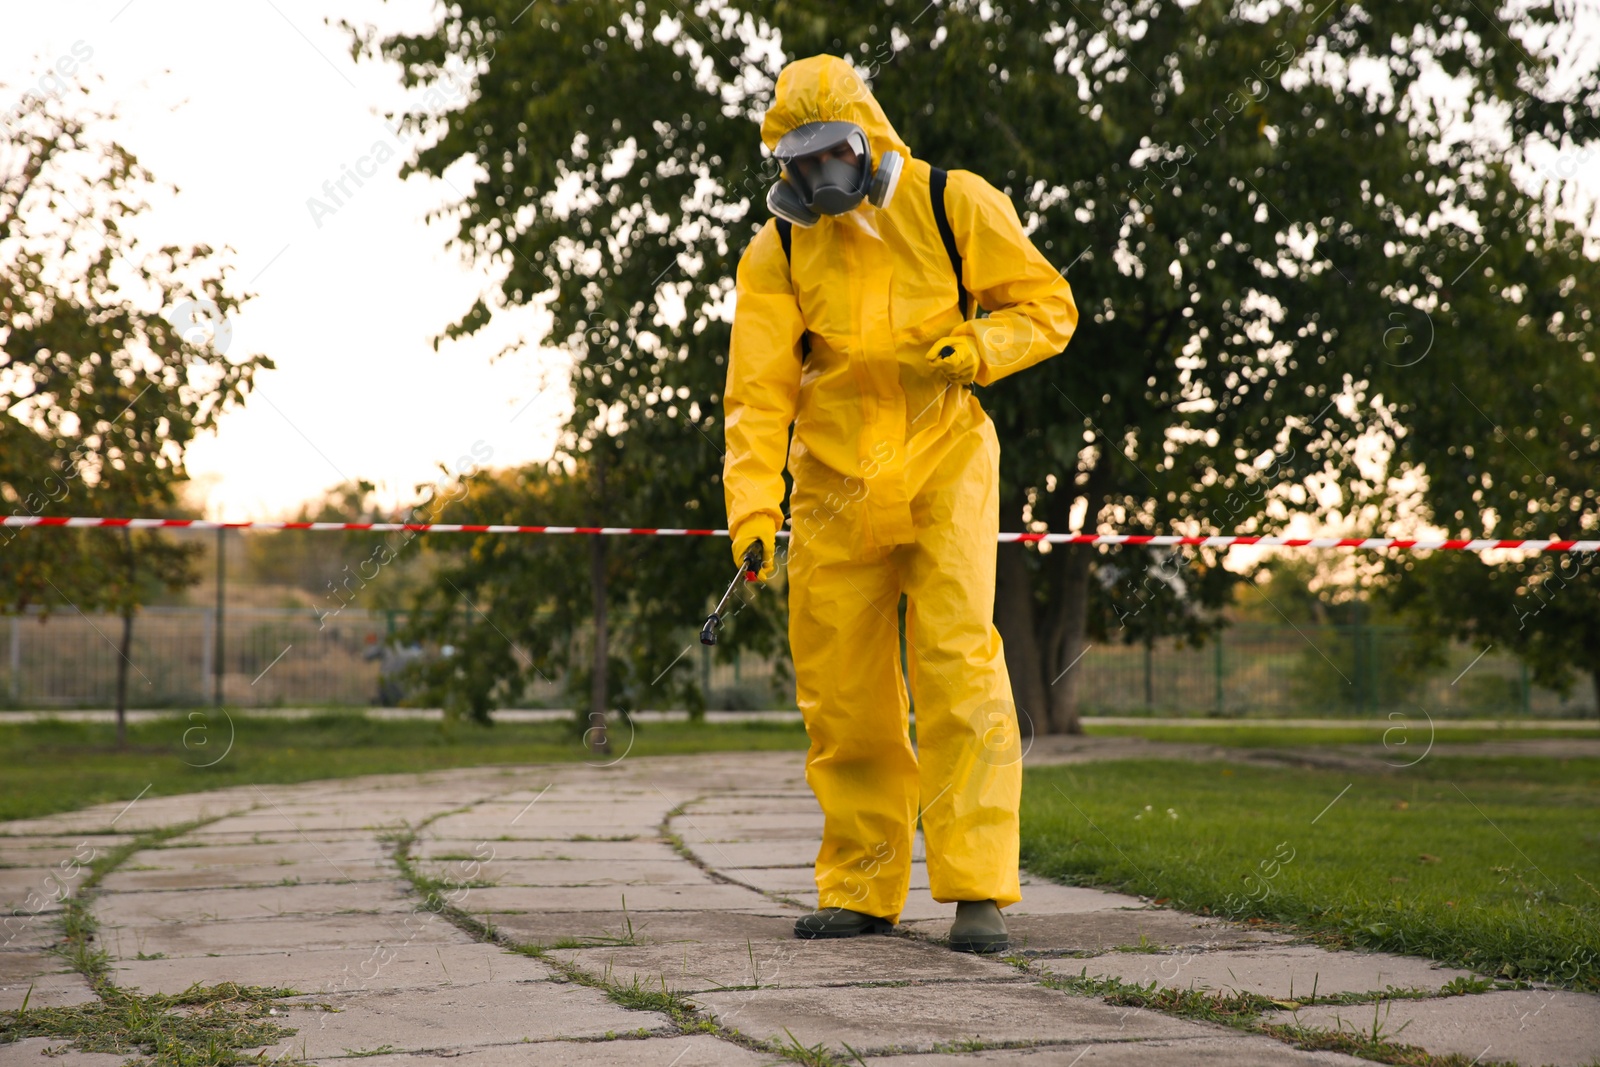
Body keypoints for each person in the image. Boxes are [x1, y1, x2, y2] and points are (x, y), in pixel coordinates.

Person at [722, 55, 1078, 953]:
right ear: (784, 164)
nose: (818, 175)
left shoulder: (952, 200)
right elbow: (757, 394)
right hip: (835, 485)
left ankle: (978, 890)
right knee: (843, 696)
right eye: (798, 161)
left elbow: (1048, 305)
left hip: (945, 461)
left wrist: (978, 346)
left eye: (831, 152)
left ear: (867, 137)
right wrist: (753, 511)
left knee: (958, 668)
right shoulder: (779, 247)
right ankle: (861, 886)